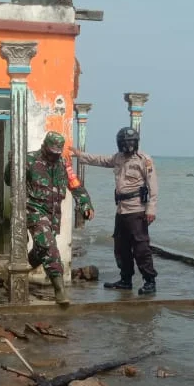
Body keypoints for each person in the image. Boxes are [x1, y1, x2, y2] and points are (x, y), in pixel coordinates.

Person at [5, 132, 94, 305]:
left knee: (40, 251)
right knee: (49, 247)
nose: (54, 155)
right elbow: (10, 181)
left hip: (53, 214)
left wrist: (85, 205)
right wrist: (11, 164)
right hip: (33, 210)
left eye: (57, 152)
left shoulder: (63, 163)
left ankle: (9, 280)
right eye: (51, 151)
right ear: (44, 146)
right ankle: (59, 290)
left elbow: (75, 186)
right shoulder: (29, 160)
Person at [72, 126, 159, 295]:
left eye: (131, 142)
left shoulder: (144, 160)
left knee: (141, 248)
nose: (128, 146)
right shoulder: (118, 158)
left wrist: (151, 209)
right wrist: (79, 155)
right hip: (121, 211)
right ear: (119, 144)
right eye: (125, 143)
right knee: (121, 247)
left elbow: (153, 186)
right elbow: (100, 160)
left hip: (137, 210)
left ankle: (150, 281)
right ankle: (125, 280)